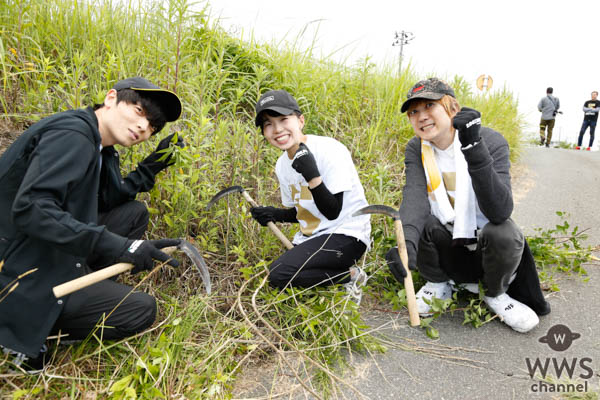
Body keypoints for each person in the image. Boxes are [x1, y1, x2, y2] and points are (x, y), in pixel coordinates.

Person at [0, 77, 184, 372]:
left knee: (134, 213)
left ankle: (85, 289)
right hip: (19, 270)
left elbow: (110, 197)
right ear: (111, 98)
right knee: (140, 309)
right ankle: (34, 331)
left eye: (152, 126)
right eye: (139, 111)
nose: (143, 127)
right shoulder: (73, 135)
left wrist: (153, 164)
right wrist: (124, 247)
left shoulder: (101, 146)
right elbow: (32, 209)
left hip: (45, 248)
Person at [385, 78, 550, 333]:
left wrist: (473, 147)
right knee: (424, 222)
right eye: (414, 112)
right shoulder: (416, 148)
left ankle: (496, 294)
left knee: (504, 232)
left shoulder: (490, 140)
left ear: (452, 108)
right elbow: (415, 196)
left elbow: (500, 210)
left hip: (485, 241)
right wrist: (406, 244)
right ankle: (438, 283)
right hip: (447, 237)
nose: (421, 116)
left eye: (430, 106)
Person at [250, 89, 371, 305]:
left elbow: (332, 212)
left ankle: (351, 276)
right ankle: (336, 278)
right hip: (312, 238)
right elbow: (303, 212)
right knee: (281, 274)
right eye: (268, 124)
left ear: (300, 120)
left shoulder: (329, 149)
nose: (277, 129)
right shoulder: (281, 165)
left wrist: (312, 175)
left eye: (283, 119)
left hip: (346, 236)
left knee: (279, 275)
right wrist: (274, 214)